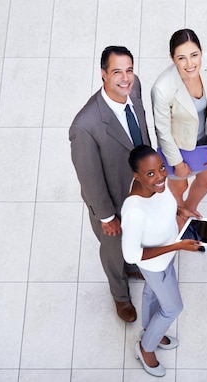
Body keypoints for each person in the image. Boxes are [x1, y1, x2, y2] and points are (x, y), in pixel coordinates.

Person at [69, 46, 151, 323]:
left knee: (136, 237)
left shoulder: (134, 87)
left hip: (139, 190)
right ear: (103, 74)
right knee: (113, 251)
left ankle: (131, 265)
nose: (125, 79)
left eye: (129, 70)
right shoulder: (85, 126)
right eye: (117, 72)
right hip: (113, 202)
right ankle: (120, 294)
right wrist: (107, 217)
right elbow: (89, 178)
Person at [121, 145, 202, 377]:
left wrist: (181, 210)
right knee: (173, 308)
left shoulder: (159, 187)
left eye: (161, 169)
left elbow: (164, 204)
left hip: (167, 255)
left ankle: (150, 331)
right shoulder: (135, 212)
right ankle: (145, 348)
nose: (160, 177)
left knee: (151, 293)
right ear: (136, 177)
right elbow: (131, 256)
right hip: (156, 264)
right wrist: (178, 246)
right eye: (150, 174)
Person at [151, 28, 207, 228]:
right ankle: (177, 216)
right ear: (172, 58)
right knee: (179, 186)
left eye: (194, 55)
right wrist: (178, 163)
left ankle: (186, 212)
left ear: (201, 52)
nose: (190, 64)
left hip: (204, 141)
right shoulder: (162, 89)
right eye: (181, 58)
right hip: (177, 145)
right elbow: (162, 132)